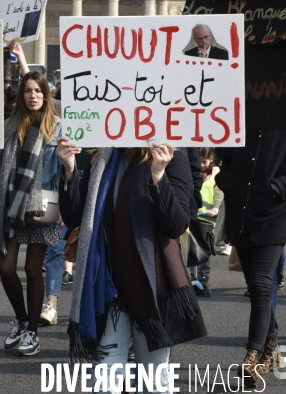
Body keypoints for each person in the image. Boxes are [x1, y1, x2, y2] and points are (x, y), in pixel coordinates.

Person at [57, 139, 207, 393]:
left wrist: (159, 176)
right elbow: (73, 216)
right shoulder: (103, 159)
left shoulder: (173, 157)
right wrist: (69, 169)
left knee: (152, 383)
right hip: (108, 290)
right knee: (103, 384)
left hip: (152, 291)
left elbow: (177, 224)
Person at [0, 71, 62, 356]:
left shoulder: (57, 127)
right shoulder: (8, 125)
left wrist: (66, 205)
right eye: (28, 90)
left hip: (43, 203)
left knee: (32, 269)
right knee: (6, 267)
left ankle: (32, 333)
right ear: (21, 94)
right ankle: (21, 318)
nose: (33, 95)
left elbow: (65, 173)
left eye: (38, 90)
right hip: (11, 204)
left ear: (45, 94)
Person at [215, 128, 286, 389]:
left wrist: (279, 187)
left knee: (262, 283)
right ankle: (272, 348)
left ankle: (251, 357)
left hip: (275, 216)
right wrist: (228, 181)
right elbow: (224, 160)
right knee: (255, 287)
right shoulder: (241, 123)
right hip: (243, 215)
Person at [191, 147, 223, 288]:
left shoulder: (215, 175)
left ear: (211, 160)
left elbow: (219, 194)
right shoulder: (192, 172)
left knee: (203, 249)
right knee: (191, 248)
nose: (202, 165)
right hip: (193, 216)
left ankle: (203, 277)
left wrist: (216, 208)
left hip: (207, 219)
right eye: (199, 162)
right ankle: (193, 276)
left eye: (204, 162)